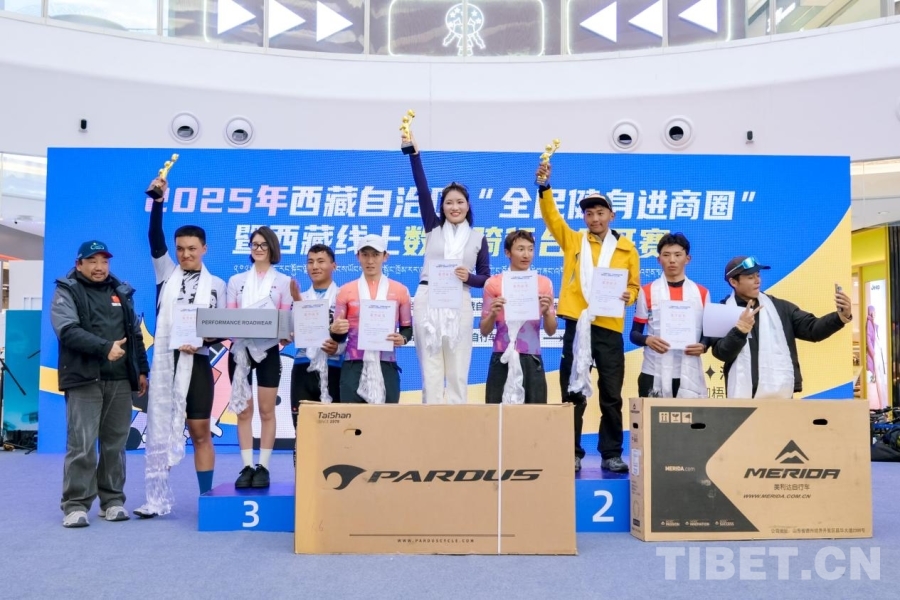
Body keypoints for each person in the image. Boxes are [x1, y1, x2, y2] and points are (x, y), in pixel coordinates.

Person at [535, 163, 640, 473]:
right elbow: (552, 218)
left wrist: (629, 296)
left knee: (611, 394)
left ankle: (611, 453)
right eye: (589, 213)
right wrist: (545, 188)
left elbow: (634, 286)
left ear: (612, 216)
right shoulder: (574, 241)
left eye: (600, 212)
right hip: (577, 325)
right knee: (572, 392)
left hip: (609, 328)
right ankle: (571, 451)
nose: (595, 218)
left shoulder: (627, 249)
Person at [133, 177, 228, 519]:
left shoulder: (217, 285)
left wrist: (203, 340)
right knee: (158, 431)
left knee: (200, 432)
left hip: (197, 363)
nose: (185, 254)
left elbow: (222, 329)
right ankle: (156, 499)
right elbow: (154, 237)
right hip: (165, 363)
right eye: (181, 248)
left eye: (192, 248)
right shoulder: (166, 274)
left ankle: (207, 498)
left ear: (205, 249)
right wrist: (159, 202)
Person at [51, 240, 149, 527]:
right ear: (79, 264)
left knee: (115, 444)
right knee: (81, 444)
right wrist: (105, 347)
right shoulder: (66, 290)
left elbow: (135, 334)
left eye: (104, 261)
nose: (99, 267)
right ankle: (75, 505)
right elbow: (67, 331)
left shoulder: (121, 291)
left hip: (119, 379)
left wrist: (142, 370)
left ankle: (113, 501)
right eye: (92, 261)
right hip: (83, 379)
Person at [404, 132, 490, 404]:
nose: (454, 207)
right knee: (430, 369)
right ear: (442, 206)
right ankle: (430, 420)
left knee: (457, 368)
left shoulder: (478, 238)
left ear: (468, 205)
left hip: (459, 299)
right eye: (449, 202)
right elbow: (422, 190)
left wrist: (469, 277)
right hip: (428, 297)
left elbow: (485, 278)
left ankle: (456, 421)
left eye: (460, 202)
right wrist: (415, 155)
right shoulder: (433, 227)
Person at [710, 256, 851, 398]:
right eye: (750, 277)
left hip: (781, 396)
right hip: (743, 396)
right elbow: (721, 353)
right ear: (733, 282)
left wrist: (840, 317)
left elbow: (812, 329)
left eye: (758, 275)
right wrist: (740, 331)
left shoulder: (780, 308)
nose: (757, 280)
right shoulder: (723, 311)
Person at [226, 226, 293, 489]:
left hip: (268, 351)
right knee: (244, 411)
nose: (258, 249)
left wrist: (286, 333)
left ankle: (263, 466)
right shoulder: (236, 281)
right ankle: (246, 466)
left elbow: (284, 318)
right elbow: (229, 318)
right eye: (254, 244)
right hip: (240, 351)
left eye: (263, 244)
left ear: (272, 248)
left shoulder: (284, 282)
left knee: (266, 411)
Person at [332, 234, 413, 404]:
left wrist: (403, 338)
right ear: (358, 257)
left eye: (375, 255)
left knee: (387, 418)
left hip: (386, 363)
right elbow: (338, 336)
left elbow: (407, 328)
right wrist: (335, 330)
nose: (370, 261)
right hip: (353, 363)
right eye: (365, 254)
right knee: (352, 418)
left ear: (385, 256)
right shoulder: (345, 291)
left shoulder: (400, 291)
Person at [480, 230, 557, 404]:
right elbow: (484, 330)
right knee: (497, 415)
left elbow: (551, 330)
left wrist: (546, 313)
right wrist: (493, 314)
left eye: (530, 249)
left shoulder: (544, 283)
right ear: (508, 253)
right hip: (502, 356)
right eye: (520, 249)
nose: (526, 255)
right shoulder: (494, 283)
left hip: (532, 358)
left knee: (535, 415)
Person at [630, 233, 710, 398]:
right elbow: (634, 334)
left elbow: (708, 333)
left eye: (677, 255)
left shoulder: (701, 293)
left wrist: (703, 345)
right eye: (666, 255)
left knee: (689, 415)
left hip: (689, 373)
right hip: (653, 370)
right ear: (659, 259)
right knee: (651, 415)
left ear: (687, 259)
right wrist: (647, 340)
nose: (672, 260)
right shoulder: (647, 291)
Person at [289, 244, 344, 464]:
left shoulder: (343, 297)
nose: (315, 266)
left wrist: (338, 348)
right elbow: (291, 335)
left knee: (336, 430)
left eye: (321, 261)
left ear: (334, 266)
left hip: (335, 368)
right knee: (302, 429)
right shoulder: (299, 297)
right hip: (303, 368)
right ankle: (303, 481)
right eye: (310, 262)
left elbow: (354, 337)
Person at [866, 305, 889, 410]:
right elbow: (869, 340)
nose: (874, 314)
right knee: (879, 379)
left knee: (881, 379)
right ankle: (882, 404)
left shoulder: (873, 324)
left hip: (878, 353)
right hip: (875, 354)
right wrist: (874, 353)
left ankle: (883, 403)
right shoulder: (869, 323)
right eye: (873, 312)